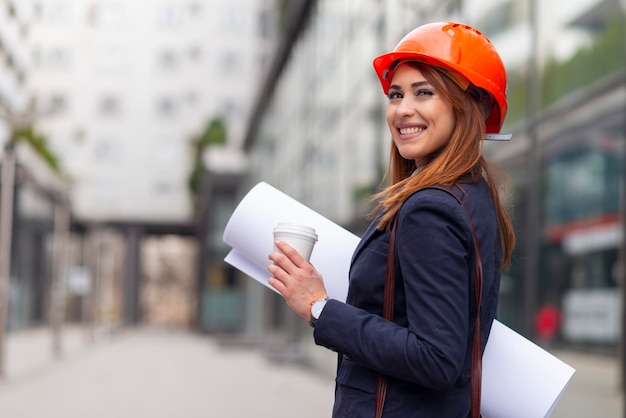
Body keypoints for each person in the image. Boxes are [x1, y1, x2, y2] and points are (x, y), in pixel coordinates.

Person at [268, 21, 516, 417]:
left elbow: (437, 357)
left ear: (467, 106)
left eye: (424, 93)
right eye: (396, 94)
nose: (403, 110)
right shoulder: (472, 197)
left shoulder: (430, 208)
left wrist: (319, 307)